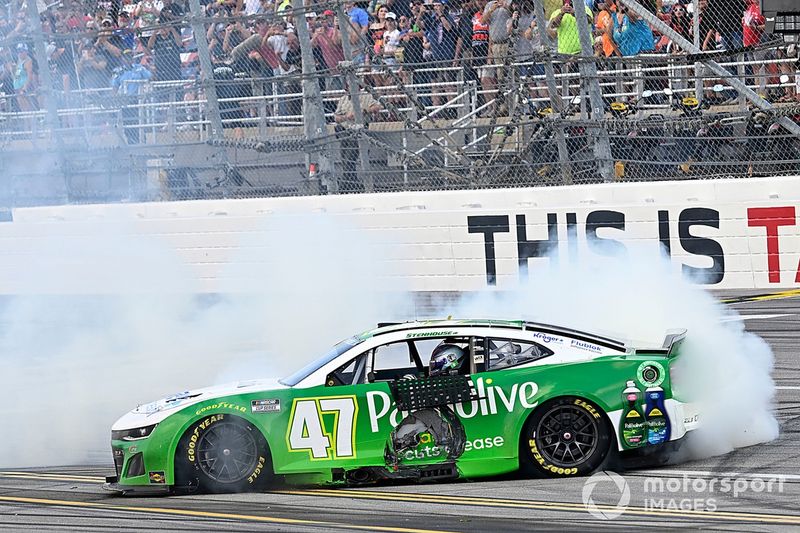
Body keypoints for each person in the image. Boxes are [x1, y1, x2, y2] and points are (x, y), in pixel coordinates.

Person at [333, 84, 382, 192]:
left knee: (349, 158)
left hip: (358, 132)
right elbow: (336, 117)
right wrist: (347, 117)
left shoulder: (365, 96)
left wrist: (363, 111)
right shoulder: (343, 99)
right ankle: (351, 183)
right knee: (345, 158)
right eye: (348, 86)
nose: (349, 88)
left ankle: (347, 184)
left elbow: (378, 106)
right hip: (345, 132)